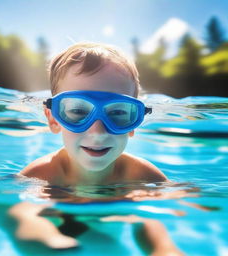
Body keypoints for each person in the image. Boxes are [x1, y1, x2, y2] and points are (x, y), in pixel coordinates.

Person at [12, 42, 184, 255]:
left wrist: (163, 248)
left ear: (134, 123)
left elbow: (153, 219)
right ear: (54, 119)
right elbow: (19, 212)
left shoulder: (140, 175)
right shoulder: (44, 173)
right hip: (58, 223)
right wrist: (43, 234)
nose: (98, 132)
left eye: (119, 113)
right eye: (77, 110)